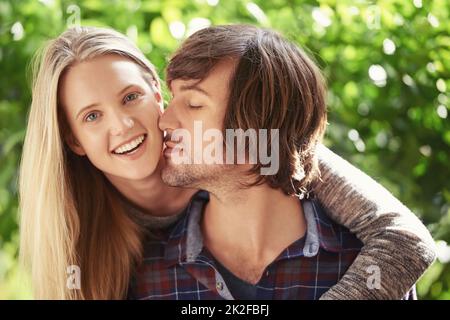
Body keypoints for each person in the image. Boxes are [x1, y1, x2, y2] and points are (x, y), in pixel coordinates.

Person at [19, 26, 434, 300]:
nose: (125, 125)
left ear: (155, 91)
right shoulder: (98, 249)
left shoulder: (251, 146)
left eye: (131, 97)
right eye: (92, 116)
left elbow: (400, 235)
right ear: (73, 140)